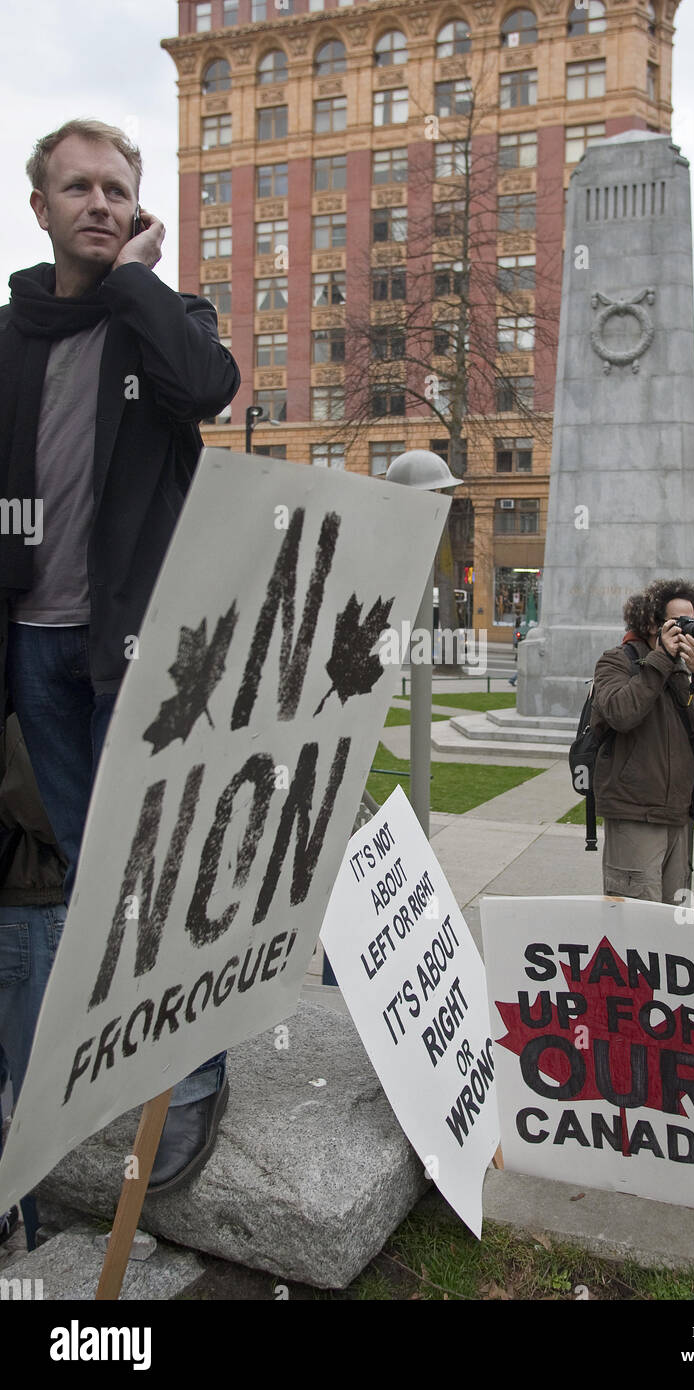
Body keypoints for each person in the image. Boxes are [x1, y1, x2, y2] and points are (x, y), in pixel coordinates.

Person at [0, 120, 240, 1190]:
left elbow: (204, 388)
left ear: (138, 211)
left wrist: (139, 279)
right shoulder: (10, 335)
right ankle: (116, 1062)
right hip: (34, 652)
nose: (98, 203)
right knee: (95, 879)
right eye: (78, 188)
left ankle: (192, 1081)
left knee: (156, 866)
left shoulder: (164, 318)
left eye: (118, 190)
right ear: (40, 206)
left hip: (138, 650)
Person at [591, 579, 694, 903]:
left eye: (692, 622)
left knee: (669, 927)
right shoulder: (617, 661)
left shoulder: (681, 674)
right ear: (652, 623)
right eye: (677, 622)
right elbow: (620, 712)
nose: (685, 631)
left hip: (677, 816)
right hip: (635, 816)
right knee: (634, 923)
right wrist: (659, 660)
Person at [0, 715, 67, 1246]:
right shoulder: (25, 698)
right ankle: (46, 1230)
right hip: (27, 902)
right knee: (40, 1088)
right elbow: (45, 807)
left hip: (19, 903)